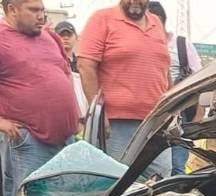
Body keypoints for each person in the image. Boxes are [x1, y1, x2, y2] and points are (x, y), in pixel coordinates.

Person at [0, 0, 79, 196]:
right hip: (29, 140)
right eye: (33, 10)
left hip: (65, 138)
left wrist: (72, 113)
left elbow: (65, 73)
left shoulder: (50, 37)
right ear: (12, 9)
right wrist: (1, 123)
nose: (41, 16)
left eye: (42, 10)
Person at [78, 0, 172, 179]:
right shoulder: (102, 19)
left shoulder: (156, 23)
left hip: (156, 123)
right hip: (116, 125)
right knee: (117, 183)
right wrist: (99, 112)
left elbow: (164, 68)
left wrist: (172, 106)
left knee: (161, 182)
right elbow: (86, 66)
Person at [147, 1, 202, 175]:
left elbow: (201, 80)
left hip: (179, 113)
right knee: (149, 166)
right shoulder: (142, 46)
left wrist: (199, 114)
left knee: (177, 166)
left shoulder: (181, 45)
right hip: (150, 113)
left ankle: (177, 189)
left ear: (160, 21)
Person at [54, 20, 88, 119]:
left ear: (76, 38)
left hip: (85, 117)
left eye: (69, 35)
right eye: (62, 35)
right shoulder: (52, 63)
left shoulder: (83, 63)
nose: (65, 38)